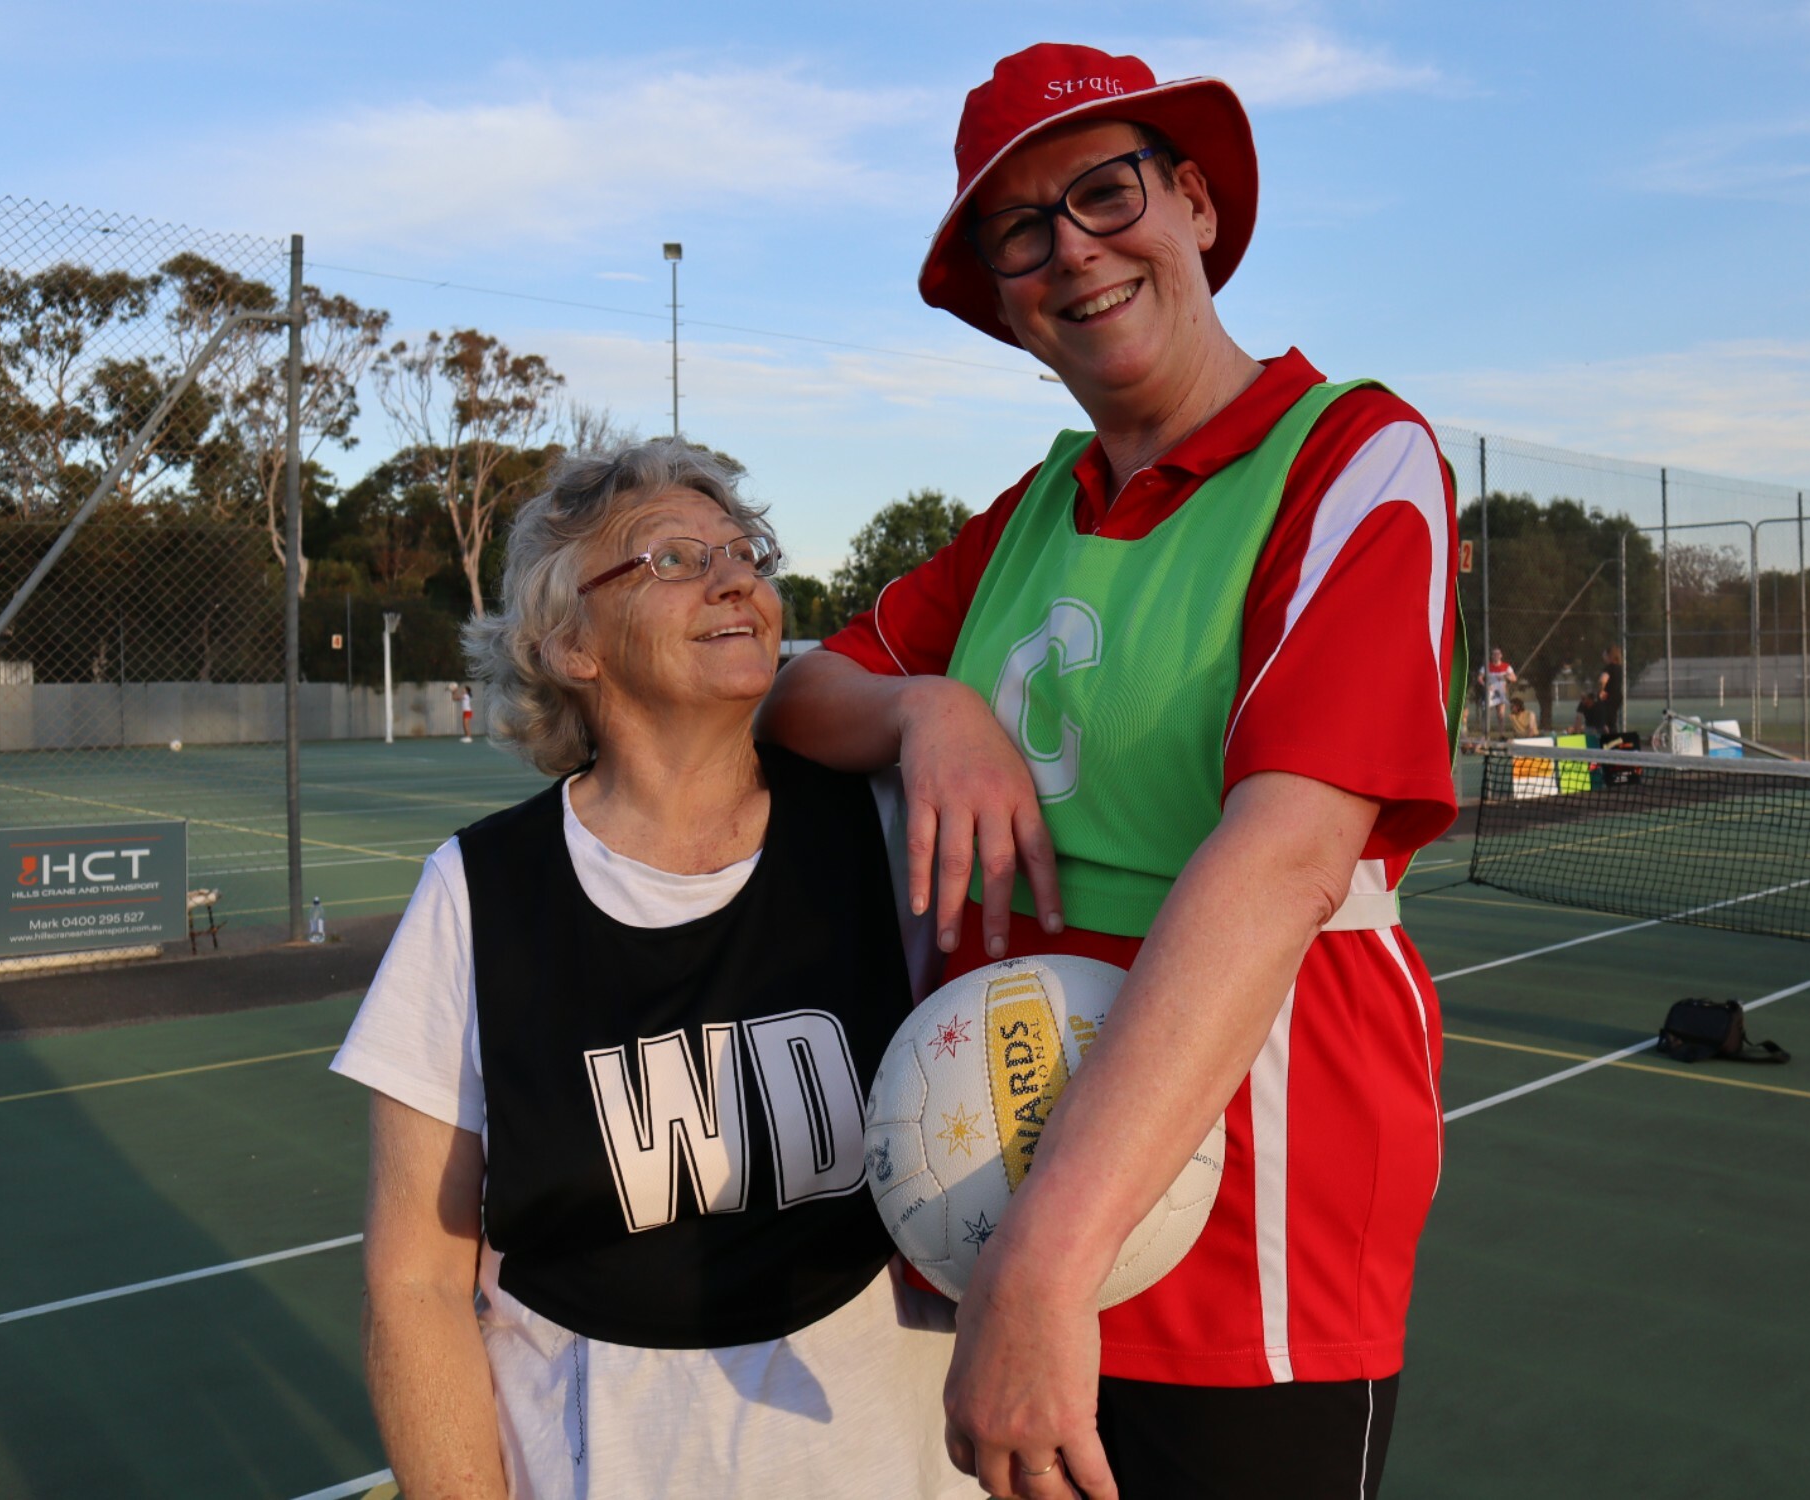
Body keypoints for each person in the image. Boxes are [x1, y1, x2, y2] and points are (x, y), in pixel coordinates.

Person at [758, 43, 1460, 1500]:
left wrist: (1045, 1267)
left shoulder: (1351, 460)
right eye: (1022, 230)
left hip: (1239, 1227)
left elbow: (1283, 858)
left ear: (1195, 204)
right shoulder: (1031, 511)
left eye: (1104, 192)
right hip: (1000, 1176)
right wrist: (927, 711)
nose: (1072, 249)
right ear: (1007, 305)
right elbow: (805, 692)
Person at [333, 441, 976, 1500]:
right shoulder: (480, 891)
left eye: (744, 554)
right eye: (672, 559)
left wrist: (934, 710)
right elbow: (413, 1281)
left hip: (887, 1453)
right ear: (569, 643)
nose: (737, 580)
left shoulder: (886, 831)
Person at [1481, 646, 1517, 737]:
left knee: (1501, 714)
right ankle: (1486, 734)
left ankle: (1501, 734)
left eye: (1498, 654)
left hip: (1501, 692)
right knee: (1487, 713)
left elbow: (1514, 678)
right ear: (1492, 656)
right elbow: (1480, 678)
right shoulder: (1487, 666)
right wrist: (1486, 686)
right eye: (1494, 654)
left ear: (1501, 655)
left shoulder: (1506, 666)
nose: (1496, 656)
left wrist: (1505, 677)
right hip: (1491, 692)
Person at [1596, 644, 1625, 732]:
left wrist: (1601, 691)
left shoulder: (1609, 668)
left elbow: (1603, 681)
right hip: (1617, 696)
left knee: (1605, 721)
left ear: (1610, 656)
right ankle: (1613, 738)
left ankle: (1610, 739)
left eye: (1605, 655)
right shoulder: (1619, 668)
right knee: (1612, 719)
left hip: (1609, 697)